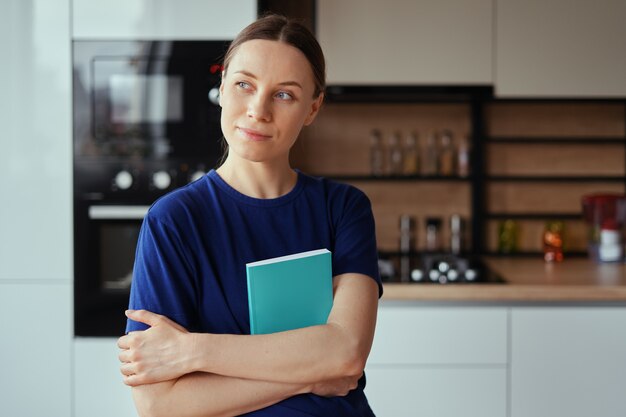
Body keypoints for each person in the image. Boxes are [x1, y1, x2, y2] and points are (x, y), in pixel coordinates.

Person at [117, 14, 383, 417]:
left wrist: (193, 351)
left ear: (313, 108)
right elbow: (159, 404)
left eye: (284, 95)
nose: (258, 110)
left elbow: (345, 354)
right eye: (244, 84)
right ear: (222, 88)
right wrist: (311, 372)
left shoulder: (344, 208)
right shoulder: (173, 221)